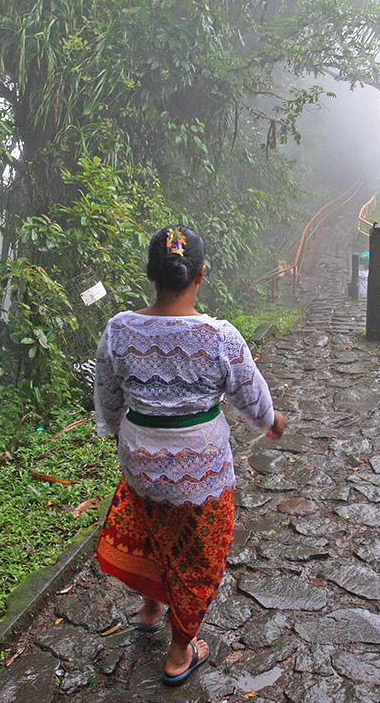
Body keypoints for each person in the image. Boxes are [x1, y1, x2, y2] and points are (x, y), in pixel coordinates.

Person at [93, 225, 286, 687]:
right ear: (201, 276)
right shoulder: (220, 337)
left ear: (150, 275)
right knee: (199, 552)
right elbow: (253, 398)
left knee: (150, 528)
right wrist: (273, 422)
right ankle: (180, 653)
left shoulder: (120, 329)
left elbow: (108, 397)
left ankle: (150, 607)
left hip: (140, 462)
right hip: (199, 472)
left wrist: (125, 434)